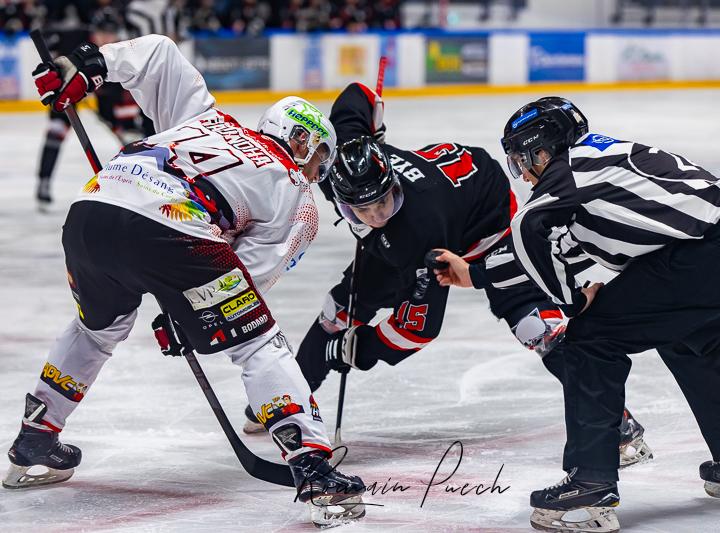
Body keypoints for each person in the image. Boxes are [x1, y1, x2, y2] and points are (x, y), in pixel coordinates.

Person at [6, 34, 365, 528]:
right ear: (303, 140)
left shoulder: (204, 118)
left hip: (92, 210)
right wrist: (190, 315)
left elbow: (159, 53)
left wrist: (90, 65)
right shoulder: (294, 190)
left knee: (96, 328)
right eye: (319, 154)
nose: (318, 169)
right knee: (259, 341)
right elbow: (251, 276)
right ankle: (311, 463)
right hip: (173, 231)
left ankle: (37, 433)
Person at [432, 96, 720, 532]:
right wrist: (474, 273)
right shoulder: (602, 168)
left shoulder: (572, 169)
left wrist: (569, 301)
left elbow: (528, 228)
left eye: (523, 160)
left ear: (543, 150)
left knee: (588, 340)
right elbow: (550, 247)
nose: (523, 173)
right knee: (688, 337)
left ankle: (590, 482)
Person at [273, 82, 652, 469]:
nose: (375, 216)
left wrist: (364, 349)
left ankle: (616, 424)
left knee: (535, 325)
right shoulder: (341, 162)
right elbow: (356, 95)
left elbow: (419, 328)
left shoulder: (417, 230)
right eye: (362, 210)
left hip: (485, 224)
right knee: (337, 310)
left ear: (393, 182)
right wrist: (374, 113)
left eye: (384, 201)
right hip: (413, 225)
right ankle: (290, 404)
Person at [35, 7, 155, 210]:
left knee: (130, 136)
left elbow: (124, 99)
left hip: (107, 95)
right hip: (72, 90)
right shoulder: (76, 41)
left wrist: (126, 128)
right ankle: (44, 182)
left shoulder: (121, 53)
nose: (107, 37)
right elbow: (52, 41)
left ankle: (141, 186)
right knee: (56, 129)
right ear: (93, 31)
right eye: (103, 32)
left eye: (111, 32)